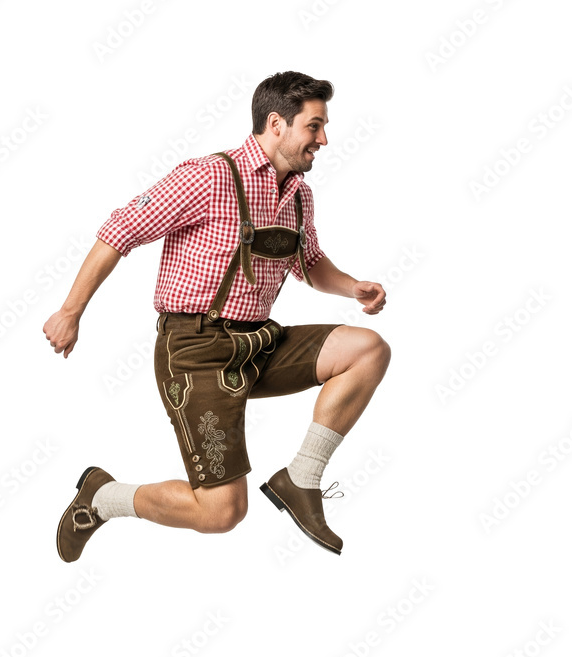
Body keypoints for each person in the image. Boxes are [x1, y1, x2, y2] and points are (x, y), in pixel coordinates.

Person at [44, 71, 390, 562]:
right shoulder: (208, 177)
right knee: (221, 513)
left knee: (367, 349)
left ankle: (301, 479)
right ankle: (101, 498)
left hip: (258, 343)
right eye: (314, 126)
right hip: (196, 352)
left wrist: (351, 286)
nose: (324, 139)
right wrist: (70, 311)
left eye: (323, 126)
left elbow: (308, 262)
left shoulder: (298, 194)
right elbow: (121, 229)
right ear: (277, 123)